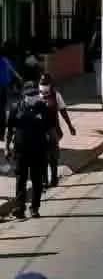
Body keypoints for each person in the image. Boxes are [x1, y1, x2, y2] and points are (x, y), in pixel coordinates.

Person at [6, 82, 53, 219]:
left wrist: (51, 147)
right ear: (24, 95)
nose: (33, 96)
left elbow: (50, 129)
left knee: (37, 179)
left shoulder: (43, 108)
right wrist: (7, 147)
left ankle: (35, 207)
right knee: (20, 179)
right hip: (20, 150)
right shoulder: (16, 108)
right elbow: (9, 129)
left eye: (35, 94)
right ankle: (20, 207)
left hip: (39, 150)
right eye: (30, 94)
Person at [39, 74, 76, 188]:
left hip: (53, 130)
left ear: (51, 84)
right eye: (42, 83)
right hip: (39, 132)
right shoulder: (36, 96)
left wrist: (70, 126)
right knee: (43, 157)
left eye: (46, 84)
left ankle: (54, 179)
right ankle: (44, 180)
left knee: (53, 157)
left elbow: (63, 110)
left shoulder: (56, 95)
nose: (44, 86)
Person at [0, 46, 21, 140]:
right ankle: (1, 134)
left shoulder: (5, 60)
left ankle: (1, 133)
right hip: (4, 87)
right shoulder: (6, 60)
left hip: (3, 87)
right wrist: (19, 78)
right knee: (2, 110)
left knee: (2, 110)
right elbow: (13, 72)